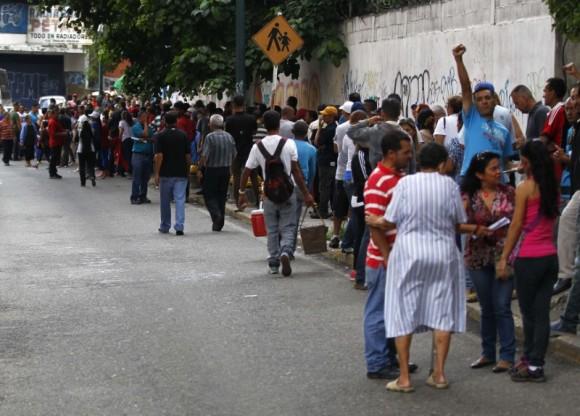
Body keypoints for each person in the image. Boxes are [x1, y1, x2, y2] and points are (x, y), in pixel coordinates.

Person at [367, 143, 479, 393]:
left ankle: (404, 378)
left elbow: (390, 220)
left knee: (403, 311)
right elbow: (459, 220)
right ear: (441, 164)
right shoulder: (450, 186)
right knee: (442, 313)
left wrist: (375, 220)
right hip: (442, 253)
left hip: (408, 254)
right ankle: (439, 374)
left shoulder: (405, 184)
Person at [497, 141, 559, 383]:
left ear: (530, 162)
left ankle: (530, 359)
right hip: (550, 258)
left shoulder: (525, 188)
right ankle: (535, 364)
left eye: (523, 160)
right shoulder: (551, 186)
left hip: (529, 258)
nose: (520, 164)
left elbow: (516, 225)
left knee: (528, 313)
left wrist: (504, 257)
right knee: (542, 313)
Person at [361, 128, 414, 381]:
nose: (410, 156)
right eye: (406, 152)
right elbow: (374, 224)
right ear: (391, 154)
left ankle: (393, 357)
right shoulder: (377, 181)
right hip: (384, 259)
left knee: (394, 311)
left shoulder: (398, 177)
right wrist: (387, 256)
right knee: (378, 312)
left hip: (397, 255)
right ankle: (377, 362)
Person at [237, 110, 314, 276]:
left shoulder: (257, 147)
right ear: (279, 124)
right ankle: (286, 251)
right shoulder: (289, 144)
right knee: (288, 226)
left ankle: (273, 261)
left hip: (269, 193)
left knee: (271, 229)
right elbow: (296, 171)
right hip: (288, 192)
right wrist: (306, 193)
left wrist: (241, 192)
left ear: (264, 125)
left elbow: (246, 171)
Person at [461, 152, 516, 373]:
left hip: (504, 255)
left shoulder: (509, 192)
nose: (498, 172)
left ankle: (507, 355)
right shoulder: (468, 195)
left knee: (502, 305)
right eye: (493, 168)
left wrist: (508, 256)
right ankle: (487, 352)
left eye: (498, 167)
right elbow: (456, 222)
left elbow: (516, 223)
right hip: (477, 255)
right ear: (479, 174)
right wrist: (474, 228)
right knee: (486, 307)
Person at [453, 44, 514, 177]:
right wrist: (459, 61)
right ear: (475, 103)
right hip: (471, 180)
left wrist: (522, 166)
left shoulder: (504, 131)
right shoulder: (471, 118)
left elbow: (507, 163)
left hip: (495, 182)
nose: (484, 101)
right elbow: (466, 88)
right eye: (479, 99)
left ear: (494, 100)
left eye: (487, 98)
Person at [154, 111, 192, 235]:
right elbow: (188, 156)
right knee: (180, 199)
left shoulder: (160, 136)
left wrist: (157, 173)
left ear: (164, 121)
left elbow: (159, 156)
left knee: (165, 200)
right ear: (176, 121)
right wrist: (188, 169)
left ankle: (165, 225)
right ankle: (179, 226)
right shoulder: (183, 135)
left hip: (166, 172)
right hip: (180, 172)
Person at [200, 114, 237, 232]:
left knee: (209, 194)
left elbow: (205, 155)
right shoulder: (229, 137)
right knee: (221, 196)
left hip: (212, 169)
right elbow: (234, 154)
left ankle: (216, 214)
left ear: (211, 125)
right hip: (225, 169)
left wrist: (201, 169)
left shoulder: (210, 137)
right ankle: (219, 223)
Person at [226, 95, 259, 206]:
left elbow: (229, 136)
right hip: (249, 150)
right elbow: (254, 133)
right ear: (244, 104)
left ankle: (238, 201)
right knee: (253, 175)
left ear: (233, 105)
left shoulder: (229, 120)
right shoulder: (251, 118)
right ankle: (258, 200)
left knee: (237, 176)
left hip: (235, 151)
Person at [290, 120, 317, 252]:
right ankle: (290, 247)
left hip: (285, 183)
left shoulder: (286, 144)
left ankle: (281, 243)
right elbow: (312, 172)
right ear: (307, 133)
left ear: (292, 132)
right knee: (295, 217)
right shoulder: (312, 149)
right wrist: (308, 190)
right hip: (302, 185)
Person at [314, 106, 338, 219]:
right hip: (330, 160)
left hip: (326, 161)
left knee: (324, 186)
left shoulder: (328, 129)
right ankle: (331, 209)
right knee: (329, 186)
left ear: (332, 116)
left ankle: (322, 211)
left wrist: (319, 128)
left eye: (325, 115)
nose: (323, 117)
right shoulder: (334, 127)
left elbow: (316, 142)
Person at [130, 112, 154, 204]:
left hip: (147, 154)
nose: (146, 119)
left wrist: (147, 137)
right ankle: (134, 197)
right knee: (137, 177)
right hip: (138, 154)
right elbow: (144, 134)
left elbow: (152, 137)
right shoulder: (136, 127)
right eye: (144, 118)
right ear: (140, 118)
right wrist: (145, 125)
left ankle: (143, 196)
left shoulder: (149, 126)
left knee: (145, 177)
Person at [76, 110, 97, 187]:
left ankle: (83, 182)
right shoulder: (91, 128)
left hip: (81, 149)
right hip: (91, 149)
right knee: (90, 165)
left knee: (82, 166)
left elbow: (76, 138)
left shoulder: (80, 130)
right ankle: (92, 176)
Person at [47, 109, 66, 179]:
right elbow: (53, 134)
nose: (57, 115)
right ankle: (52, 173)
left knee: (55, 158)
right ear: (52, 114)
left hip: (57, 142)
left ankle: (54, 172)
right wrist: (63, 133)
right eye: (56, 114)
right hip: (54, 143)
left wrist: (64, 131)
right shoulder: (52, 122)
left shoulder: (55, 121)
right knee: (53, 159)